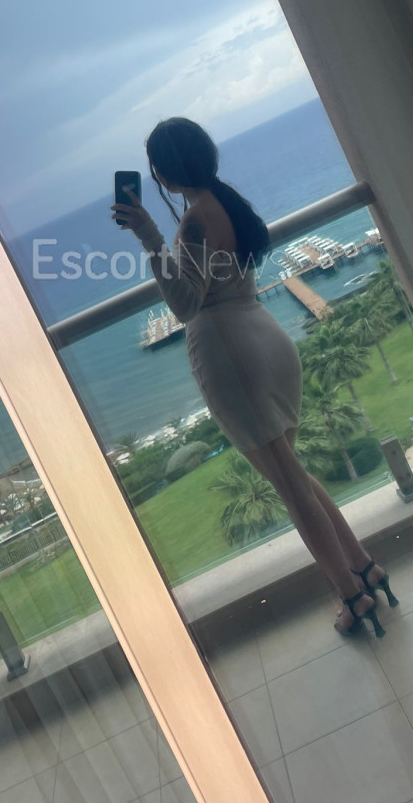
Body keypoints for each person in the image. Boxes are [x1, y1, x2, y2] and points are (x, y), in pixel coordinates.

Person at [112, 117, 397, 636]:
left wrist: (149, 237)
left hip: (232, 357)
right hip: (265, 339)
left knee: (290, 488)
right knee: (295, 476)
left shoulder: (194, 221)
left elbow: (184, 305)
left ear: (164, 173)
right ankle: (363, 567)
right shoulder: (226, 203)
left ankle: (352, 597)